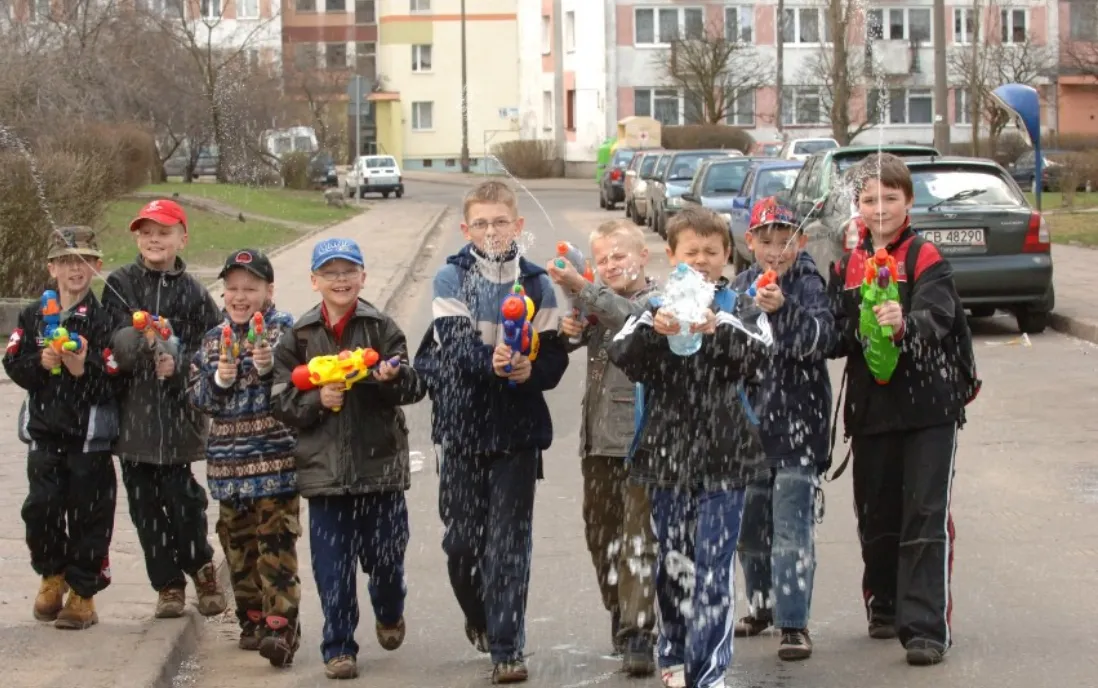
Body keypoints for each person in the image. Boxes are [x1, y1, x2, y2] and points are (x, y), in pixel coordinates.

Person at [607, 206, 773, 688]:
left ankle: (710, 672)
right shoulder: (652, 306)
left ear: (727, 256)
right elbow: (625, 356)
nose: (702, 260)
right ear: (672, 254)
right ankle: (675, 654)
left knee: (714, 569)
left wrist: (716, 328)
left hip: (727, 459)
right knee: (675, 565)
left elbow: (760, 360)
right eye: (691, 251)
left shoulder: (739, 307)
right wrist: (655, 334)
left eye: (712, 252)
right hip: (666, 461)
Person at [825, 153, 979, 666]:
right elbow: (835, 334)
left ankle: (925, 627)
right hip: (873, 408)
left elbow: (938, 317)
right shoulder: (847, 263)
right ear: (858, 205)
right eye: (870, 199)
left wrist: (902, 321)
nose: (880, 208)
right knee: (877, 514)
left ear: (908, 201)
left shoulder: (925, 257)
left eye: (890, 198)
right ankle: (885, 603)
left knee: (924, 514)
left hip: (931, 405)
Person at [414, 180, 569, 684]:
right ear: (466, 229)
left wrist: (529, 371)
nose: (491, 230)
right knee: (462, 544)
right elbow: (455, 349)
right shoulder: (449, 280)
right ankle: (479, 617)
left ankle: (508, 647)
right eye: (481, 223)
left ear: (518, 227)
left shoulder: (537, 284)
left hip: (517, 435)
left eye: (501, 221)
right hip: (460, 433)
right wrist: (497, 363)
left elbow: (552, 358)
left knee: (508, 545)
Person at [271, 238, 426, 680]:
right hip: (324, 473)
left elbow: (413, 386)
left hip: (380, 469)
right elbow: (281, 400)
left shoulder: (380, 328)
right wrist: (318, 399)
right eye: (330, 272)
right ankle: (338, 646)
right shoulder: (299, 336)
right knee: (331, 568)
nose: (340, 280)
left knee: (387, 561)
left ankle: (390, 610)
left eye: (348, 271)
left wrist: (391, 379)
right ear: (314, 280)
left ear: (362, 277)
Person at [101, 199, 227, 619]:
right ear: (136, 237)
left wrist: (176, 363)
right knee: (145, 508)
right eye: (146, 232)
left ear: (182, 238)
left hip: (178, 421)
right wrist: (143, 341)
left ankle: (201, 565)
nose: (155, 239)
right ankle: (168, 584)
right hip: (134, 421)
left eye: (165, 231)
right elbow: (114, 345)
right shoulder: (119, 283)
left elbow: (210, 349)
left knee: (184, 500)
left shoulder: (194, 292)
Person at [547, 219, 659, 675]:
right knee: (601, 535)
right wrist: (572, 326)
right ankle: (620, 608)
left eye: (619, 255)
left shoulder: (656, 300)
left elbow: (629, 319)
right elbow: (584, 334)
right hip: (597, 442)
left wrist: (585, 290)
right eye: (602, 259)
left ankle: (639, 629)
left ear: (643, 256)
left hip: (640, 438)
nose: (611, 265)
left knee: (638, 538)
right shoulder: (599, 303)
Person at [730, 198, 835, 661]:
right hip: (750, 433)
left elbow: (820, 341)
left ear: (801, 242)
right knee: (750, 531)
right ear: (749, 242)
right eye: (766, 241)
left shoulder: (809, 285)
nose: (775, 251)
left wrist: (783, 309)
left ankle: (794, 623)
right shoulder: (738, 287)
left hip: (799, 431)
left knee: (791, 529)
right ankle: (763, 606)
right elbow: (727, 349)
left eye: (785, 241)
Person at [3, 227, 121, 630]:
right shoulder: (35, 313)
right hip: (44, 431)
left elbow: (112, 380)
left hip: (89, 436)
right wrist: (41, 363)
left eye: (84, 260)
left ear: (97, 266)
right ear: (51, 267)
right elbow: (13, 363)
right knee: (41, 509)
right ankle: (51, 575)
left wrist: (79, 368)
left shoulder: (105, 318)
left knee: (90, 514)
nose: (76, 268)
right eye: (67, 260)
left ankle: (83, 592)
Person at [188, 249, 301, 666]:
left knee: (275, 551)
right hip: (227, 471)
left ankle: (282, 627)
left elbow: (294, 389)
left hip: (275, 467)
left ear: (268, 291)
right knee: (238, 552)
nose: (240, 296)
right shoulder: (213, 338)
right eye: (233, 288)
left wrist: (270, 369)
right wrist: (220, 379)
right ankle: (252, 618)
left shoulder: (285, 332)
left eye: (250, 288)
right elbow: (198, 398)